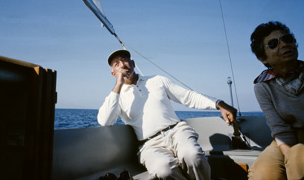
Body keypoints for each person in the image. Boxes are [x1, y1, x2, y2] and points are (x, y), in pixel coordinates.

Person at [97, 49, 237, 180]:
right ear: (113, 73)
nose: (122, 65)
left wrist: (219, 104)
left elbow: (187, 97)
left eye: (124, 60)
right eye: (116, 64)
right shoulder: (116, 96)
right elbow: (105, 121)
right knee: (164, 170)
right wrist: (118, 85)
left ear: (133, 63)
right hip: (150, 144)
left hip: (177, 131)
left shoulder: (157, 80)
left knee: (192, 156)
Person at [248, 21, 304, 180]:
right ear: (263, 58)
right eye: (273, 44)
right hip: (284, 140)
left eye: (287, 39)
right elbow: (280, 130)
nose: (284, 44)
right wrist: (290, 156)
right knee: (262, 174)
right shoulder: (263, 87)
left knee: (299, 156)